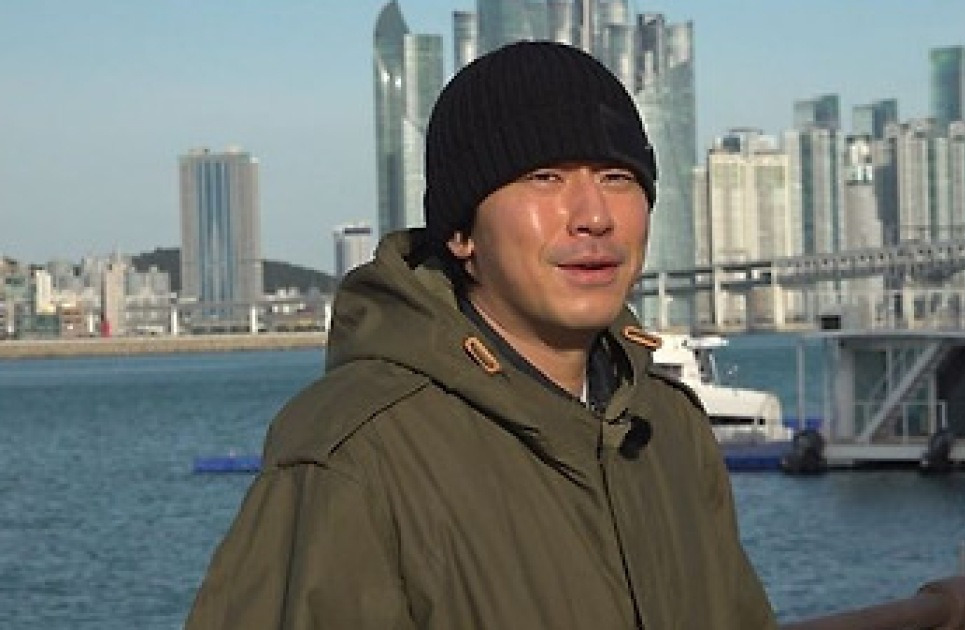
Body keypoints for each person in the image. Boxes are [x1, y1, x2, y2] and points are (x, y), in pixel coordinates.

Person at [185, 40, 777, 630]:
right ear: (461, 233)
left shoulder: (668, 429)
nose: (594, 216)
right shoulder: (355, 453)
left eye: (617, 177)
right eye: (544, 177)